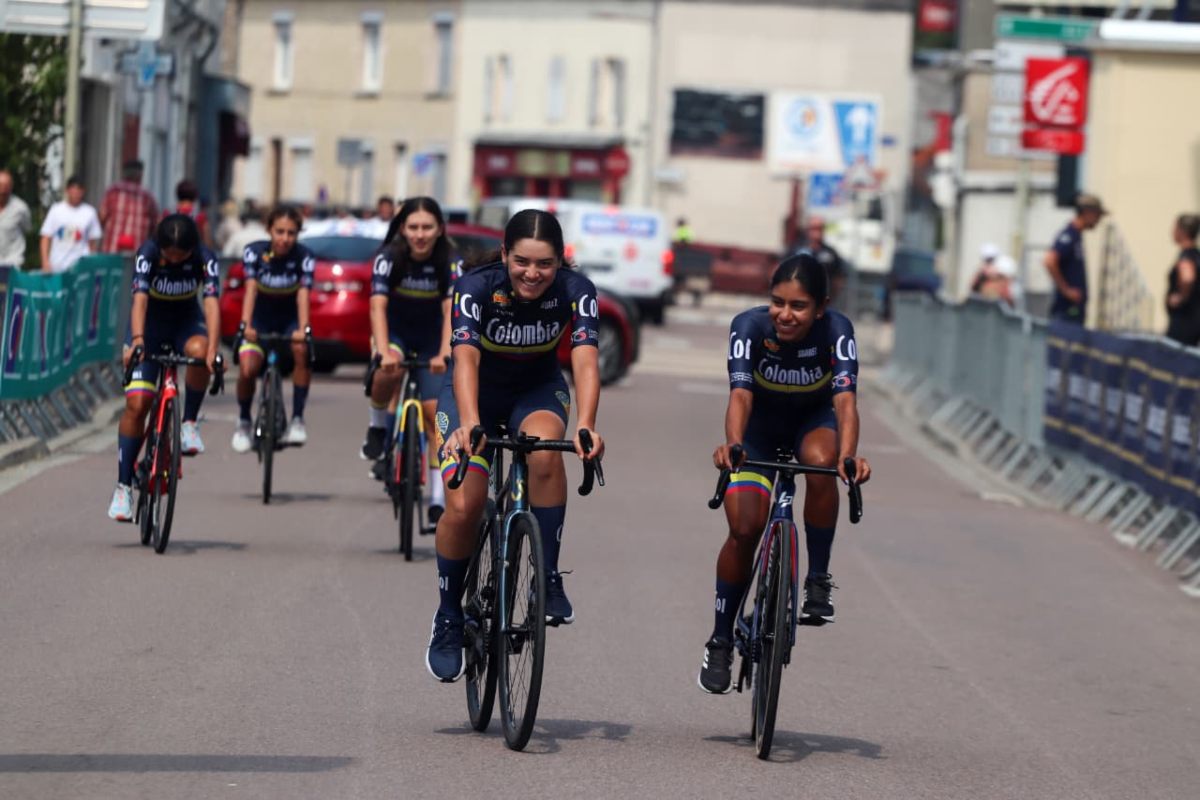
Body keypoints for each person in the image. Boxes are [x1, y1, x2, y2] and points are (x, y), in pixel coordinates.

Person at [425, 209, 606, 682]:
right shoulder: (475, 287)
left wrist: (586, 424)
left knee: (546, 450)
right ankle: (448, 616)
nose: (532, 273)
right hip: (474, 395)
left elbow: (586, 361)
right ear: (504, 254)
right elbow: (465, 359)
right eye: (522, 261)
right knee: (463, 505)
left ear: (561, 261)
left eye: (545, 264)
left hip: (536, 390)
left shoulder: (577, 291)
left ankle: (547, 578)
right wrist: (469, 423)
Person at [697, 251, 872, 695]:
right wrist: (733, 443)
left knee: (823, 463)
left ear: (821, 308)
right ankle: (720, 639)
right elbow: (740, 395)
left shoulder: (837, 332)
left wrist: (849, 456)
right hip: (757, 430)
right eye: (778, 302)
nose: (785, 314)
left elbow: (845, 402)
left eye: (798, 306)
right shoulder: (749, 327)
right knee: (744, 528)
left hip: (812, 424)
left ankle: (817, 579)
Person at [107, 215, 221, 521]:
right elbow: (140, 301)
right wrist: (138, 341)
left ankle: (189, 422)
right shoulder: (147, 253)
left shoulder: (205, 257)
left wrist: (214, 349)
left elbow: (211, 304)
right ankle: (123, 487)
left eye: (180, 257)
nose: (173, 261)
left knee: (201, 353)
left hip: (186, 323)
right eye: (168, 255)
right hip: (150, 327)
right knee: (138, 403)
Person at [361, 197, 459, 509]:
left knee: (434, 416)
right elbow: (377, 305)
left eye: (427, 227)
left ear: (439, 229)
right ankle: (377, 425)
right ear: (403, 228)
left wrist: (444, 352)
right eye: (413, 227)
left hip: (433, 338)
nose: (420, 234)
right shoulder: (388, 257)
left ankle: (437, 501)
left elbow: (451, 309)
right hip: (396, 332)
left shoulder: (450, 261)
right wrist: (383, 350)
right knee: (386, 372)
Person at [231, 205, 315, 452]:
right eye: (280, 232)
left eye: (291, 233)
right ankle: (244, 421)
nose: (285, 239)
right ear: (269, 230)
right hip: (259, 320)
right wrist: (245, 324)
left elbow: (303, 294)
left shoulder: (304, 256)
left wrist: (303, 328)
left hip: (289, 321)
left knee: (301, 350)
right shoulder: (254, 252)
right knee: (248, 367)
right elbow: (250, 289)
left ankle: (297, 419)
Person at [1044, 193, 1106, 326]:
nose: (1099, 220)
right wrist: (1066, 290)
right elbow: (1049, 261)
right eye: (1098, 215)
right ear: (1088, 213)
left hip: (1074, 314)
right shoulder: (1069, 235)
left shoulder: (1077, 236)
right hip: (1066, 313)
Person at [40, 175, 101, 273]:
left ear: (83, 192)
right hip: (58, 266)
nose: (76, 194)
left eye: (79, 191)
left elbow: (92, 243)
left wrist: (92, 265)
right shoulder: (56, 210)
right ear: (67, 191)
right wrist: (45, 261)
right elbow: (46, 237)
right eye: (73, 190)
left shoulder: (90, 212)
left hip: (80, 268)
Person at [100, 160, 158, 254]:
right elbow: (155, 225)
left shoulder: (113, 192)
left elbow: (102, 217)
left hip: (112, 249)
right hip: (137, 251)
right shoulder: (147, 197)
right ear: (140, 175)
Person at [1165, 213, 1200, 347]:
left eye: (1175, 227)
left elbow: (1187, 278)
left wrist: (1180, 297)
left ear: (1182, 231)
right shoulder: (1196, 255)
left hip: (1183, 321)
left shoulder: (1186, 256)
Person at [804, 216, 846, 309]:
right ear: (808, 230)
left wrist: (832, 296)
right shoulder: (797, 250)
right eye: (814, 228)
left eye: (820, 228)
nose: (817, 232)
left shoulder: (831, 253)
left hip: (822, 302)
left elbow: (839, 277)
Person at [168, 179, 214, 248]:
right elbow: (207, 240)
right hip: (193, 252)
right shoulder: (200, 215)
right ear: (195, 195)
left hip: (171, 250)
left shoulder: (168, 212)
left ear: (178, 194)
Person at [0, 169, 31, 267]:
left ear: (11, 187)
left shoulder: (21, 208)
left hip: (13, 261)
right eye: (1, 185)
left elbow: (27, 230)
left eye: (6, 185)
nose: (3, 189)